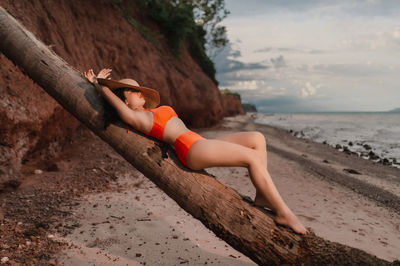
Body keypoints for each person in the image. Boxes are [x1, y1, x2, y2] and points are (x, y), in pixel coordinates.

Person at [84, 68, 308, 234]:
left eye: (138, 89)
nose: (138, 92)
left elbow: (121, 101)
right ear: (125, 100)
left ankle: (262, 196)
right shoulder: (138, 117)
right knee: (251, 158)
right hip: (190, 149)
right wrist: (100, 85)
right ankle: (284, 214)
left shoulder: (147, 111)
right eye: (131, 91)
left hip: (199, 141)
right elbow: (122, 111)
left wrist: (106, 83)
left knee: (257, 139)